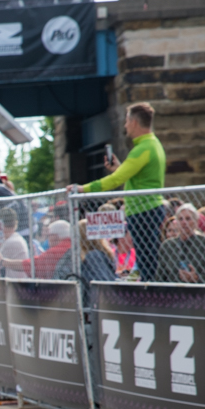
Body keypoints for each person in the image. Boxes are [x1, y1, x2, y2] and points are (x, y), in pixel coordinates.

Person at [69, 103, 167, 282]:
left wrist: (82, 189)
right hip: (147, 209)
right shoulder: (153, 144)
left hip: (143, 211)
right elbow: (135, 178)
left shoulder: (143, 149)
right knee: (148, 260)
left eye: (127, 121)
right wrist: (120, 169)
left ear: (135, 122)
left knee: (147, 263)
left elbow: (115, 181)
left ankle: (151, 297)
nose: (125, 126)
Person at [156, 203, 205, 282]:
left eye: (188, 218)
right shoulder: (168, 245)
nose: (184, 222)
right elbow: (160, 277)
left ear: (196, 222)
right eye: (180, 219)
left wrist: (196, 277)